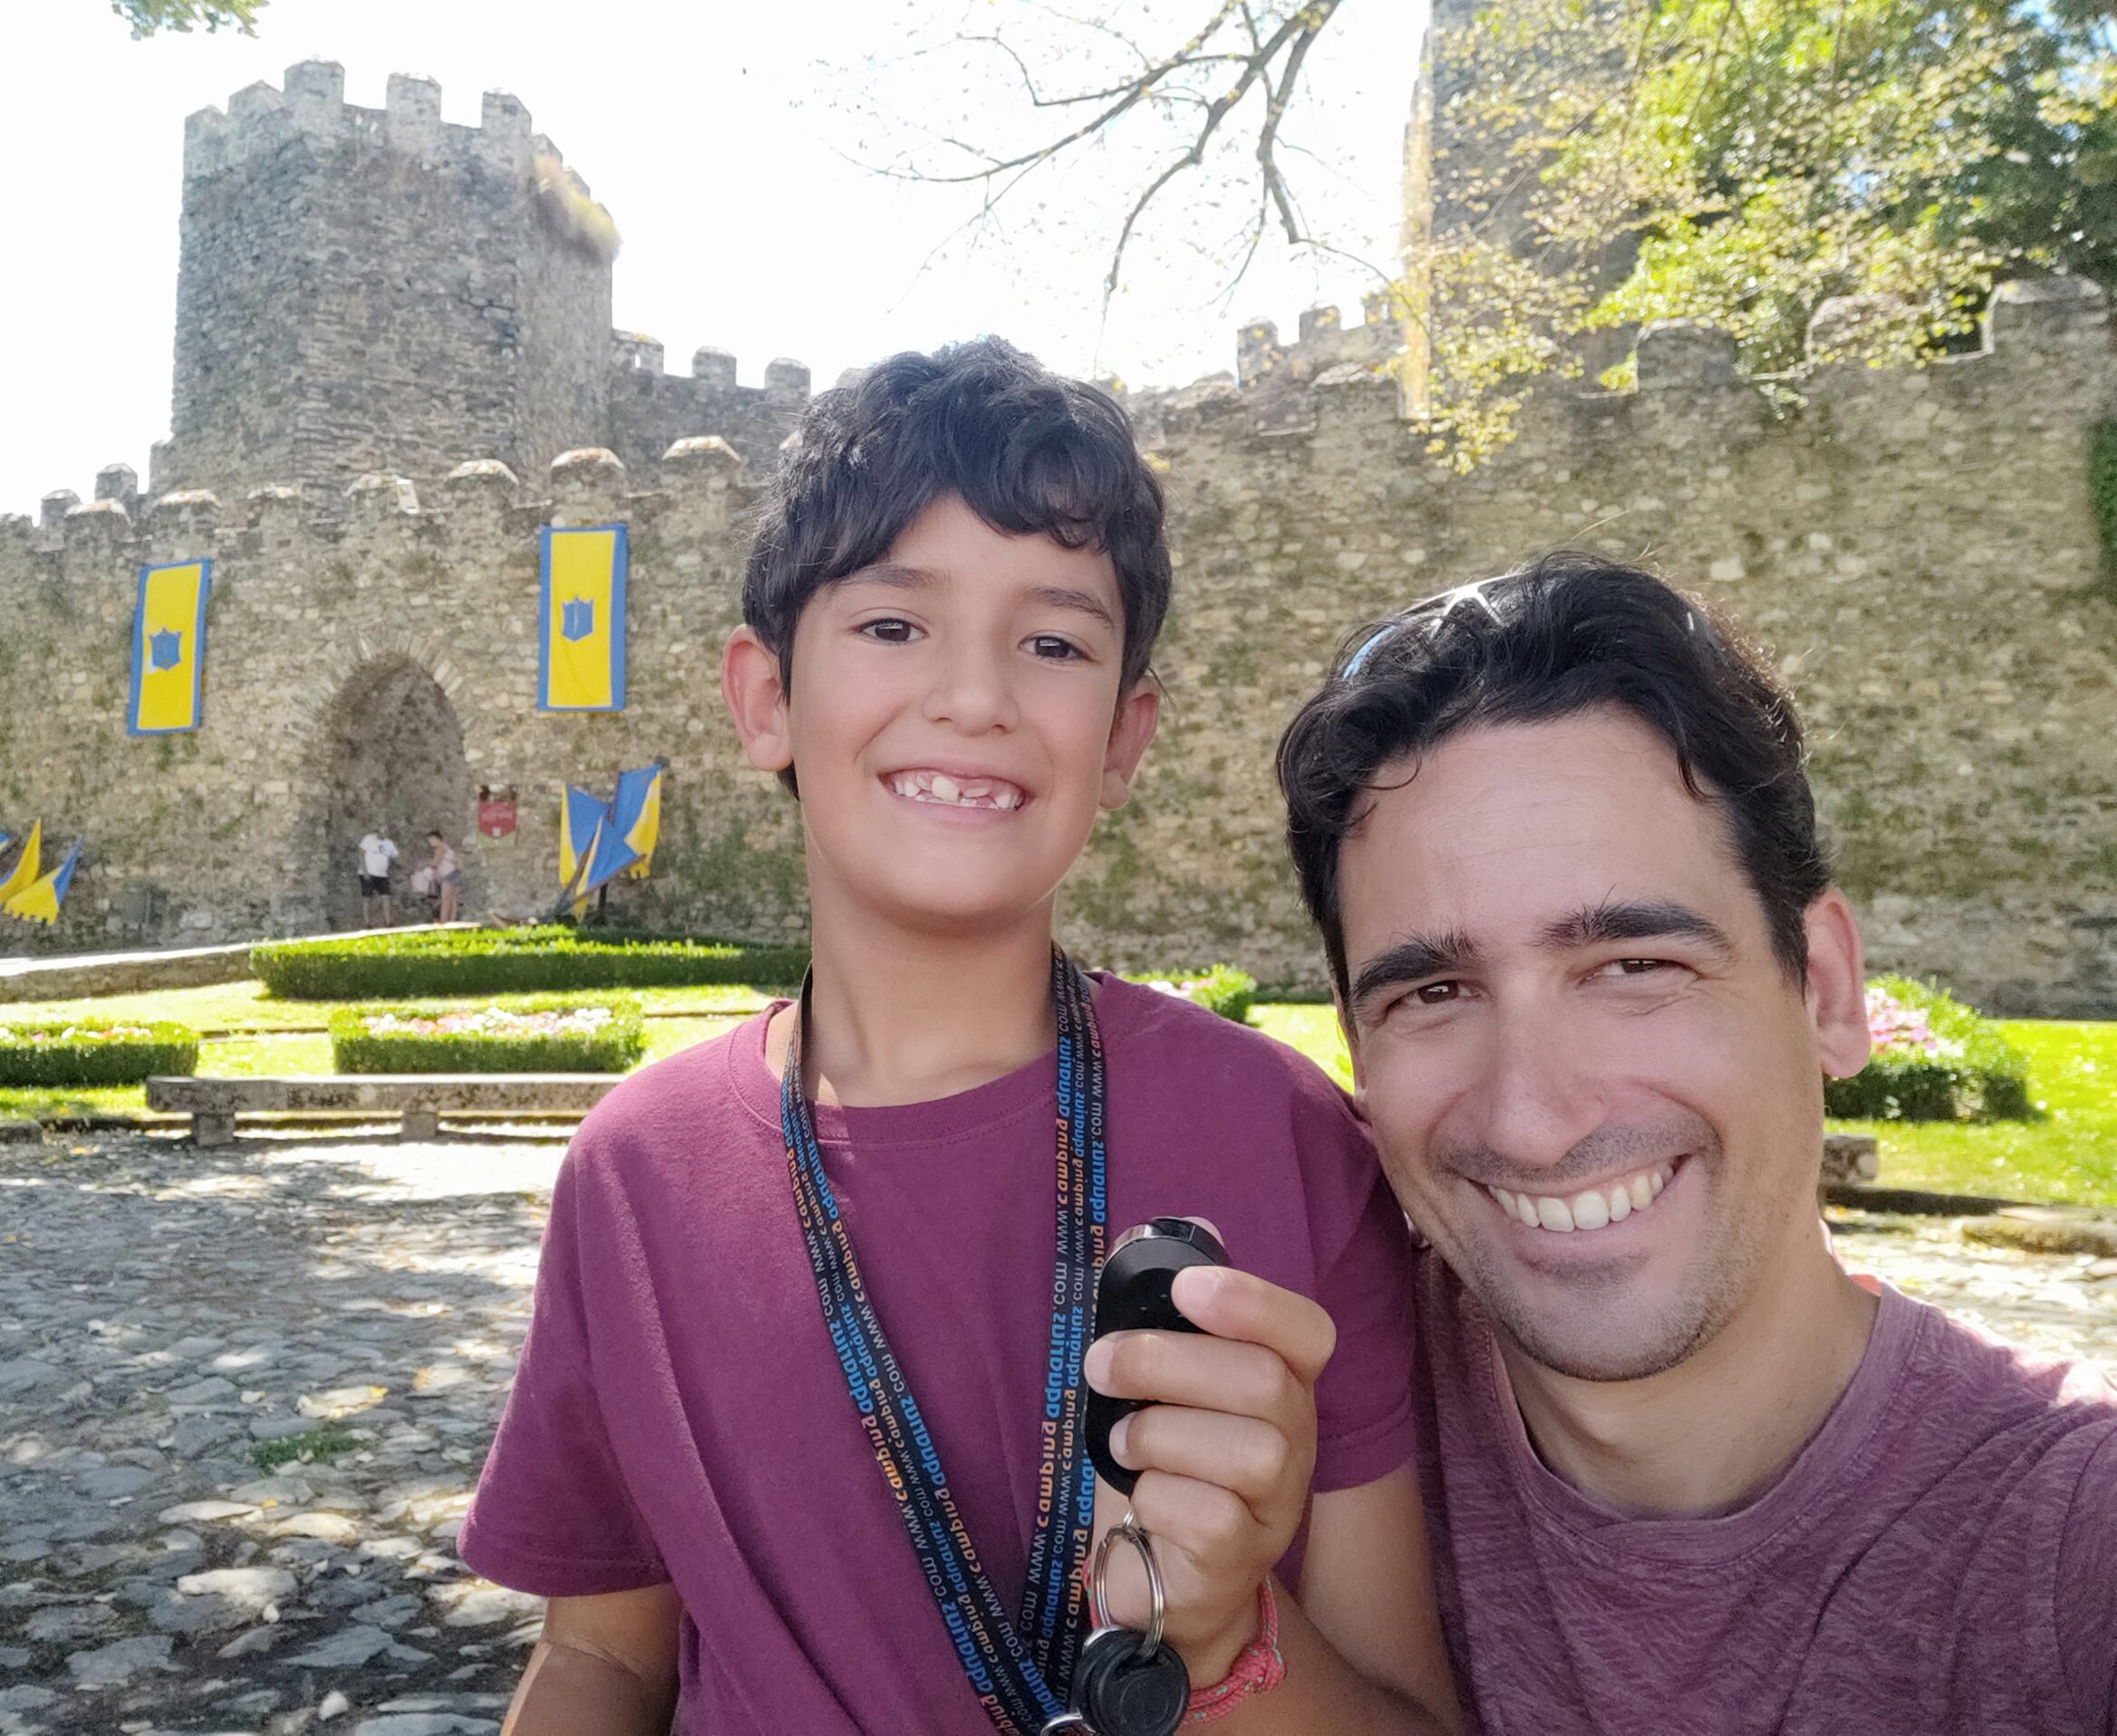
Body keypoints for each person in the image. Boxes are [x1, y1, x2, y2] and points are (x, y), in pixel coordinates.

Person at [459, 339, 1462, 1734]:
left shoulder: (1286, 1139)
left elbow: (1409, 1709)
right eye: (893, 625)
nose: (976, 695)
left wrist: (1225, 1640)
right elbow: (603, 1659)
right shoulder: (637, 1173)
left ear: (1124, 740)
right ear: (766, 699)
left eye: (1054, 644)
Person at [1275, 553, 2117, 1733]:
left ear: (1825, 990)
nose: (1533, 1117)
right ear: (1358, 1049)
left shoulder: (2069, 1544)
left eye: (1635, 965)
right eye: (1434, 993)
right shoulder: (1296, 1432)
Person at [355, 827, 399, 928]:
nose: (383, 833)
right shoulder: (369, 839)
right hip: (368, 873)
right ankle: (367, 923)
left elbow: (393, 856)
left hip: (382, 875)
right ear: (377, 831)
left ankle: (388, 922)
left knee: (386, 897)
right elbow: (361, 854)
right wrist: (364, 871)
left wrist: (387, 867)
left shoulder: (389, 843)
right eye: (381, 831)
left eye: (385, 832)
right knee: (367, 898)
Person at [424, 830, 462, 923]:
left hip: (448, 875)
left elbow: (435, 863)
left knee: (445, 900)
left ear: (437, 839)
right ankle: (452, 920)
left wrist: (426, 862)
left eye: (431, 840)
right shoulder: (447, 847)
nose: (430, 843)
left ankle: (443, 921)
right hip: (455, 873)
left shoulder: (439, 848)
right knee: (452, 899)